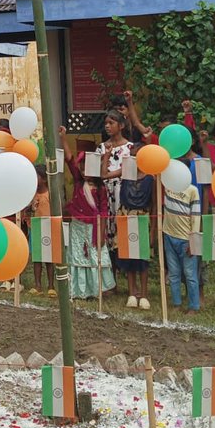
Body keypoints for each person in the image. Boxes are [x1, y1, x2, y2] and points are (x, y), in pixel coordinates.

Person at [58, 130, 114, 300]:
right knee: (78, 255)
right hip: (78, 225)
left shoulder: (101, 188)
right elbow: (69, 160)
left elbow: (104, 211)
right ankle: (80, 290)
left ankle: (99, 289)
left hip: (94, 227)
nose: (83, 170)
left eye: (86, 167)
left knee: (95, 255)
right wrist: (63, 139)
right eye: (81, 167)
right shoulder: (78, 181)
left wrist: (102, 231)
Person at [96, 107, 134, 291]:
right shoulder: (101, 147)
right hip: (106, 197)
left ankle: (128, 276)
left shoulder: (130, 148)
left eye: (111, 123)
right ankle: (111, 279)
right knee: (107, 235)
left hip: (123, 196)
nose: (107, 127)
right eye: (106, 124)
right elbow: (98, 175)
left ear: (121, 125)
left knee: (123, 234)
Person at [115, 143, 154, 310]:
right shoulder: (126, 176)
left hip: (143, 217)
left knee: (142, 258)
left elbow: (154, 205)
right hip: (126, 215)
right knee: (129, 256)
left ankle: (144, 295)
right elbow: (103, 175)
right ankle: (132, 293)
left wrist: (153, 231)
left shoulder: (151, 178)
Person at [162, 172, 201, 316]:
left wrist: (193, 240)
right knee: (173, 273)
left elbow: (196, 217)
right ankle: (176, 303)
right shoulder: (167, 186)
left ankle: (193, 306)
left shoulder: (192, 190)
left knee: (190, 274)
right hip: (169, 235)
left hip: (186, 239)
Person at [25, 170, 56, 297]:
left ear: (44, 179)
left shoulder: (50, 194)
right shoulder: (33, 194)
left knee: (49, 258)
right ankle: (37, 285)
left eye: (37, 176)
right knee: (37, 258)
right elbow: (27, 210)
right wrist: (31, 208)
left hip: (48, 227)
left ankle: (51, 285)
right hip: (35, 227)